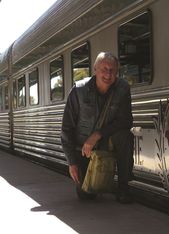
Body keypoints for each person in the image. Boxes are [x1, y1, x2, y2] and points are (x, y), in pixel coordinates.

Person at [61, 51, 134, 203]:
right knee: (86, 195)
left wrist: (97, 135)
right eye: (104, 69)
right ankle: (101, 181)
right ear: (95, 69)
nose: (108, 74)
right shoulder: (78, 91)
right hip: (84, 150)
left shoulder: (123, 88)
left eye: (112, 70)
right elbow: (67, 128)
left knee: (125, 136)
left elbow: (125, 121)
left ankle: (123, 187)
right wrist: (72, 162)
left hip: (107, 143)